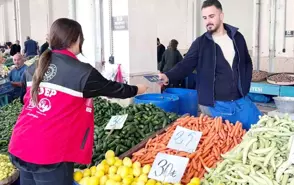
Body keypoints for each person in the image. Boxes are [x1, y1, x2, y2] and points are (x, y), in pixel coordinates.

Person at [9, 18, 148, 185]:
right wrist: (139, 88)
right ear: (76, 40)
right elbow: (116, 90)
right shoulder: (82, 72)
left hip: (21, 143)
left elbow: (24, 101)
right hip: (49, 153)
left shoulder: (34, 67)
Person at [158, 0, 260, 129]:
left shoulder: (237, 37)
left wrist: (245, 85)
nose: (208, 21)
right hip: (216, 103)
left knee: (260, 128)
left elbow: (246, 62)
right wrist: (167, 76)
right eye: (205, 18)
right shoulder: (201, 43)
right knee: (228, 140)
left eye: (211, 16)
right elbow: (186, 64)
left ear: (221, 16)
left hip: (241, 99)